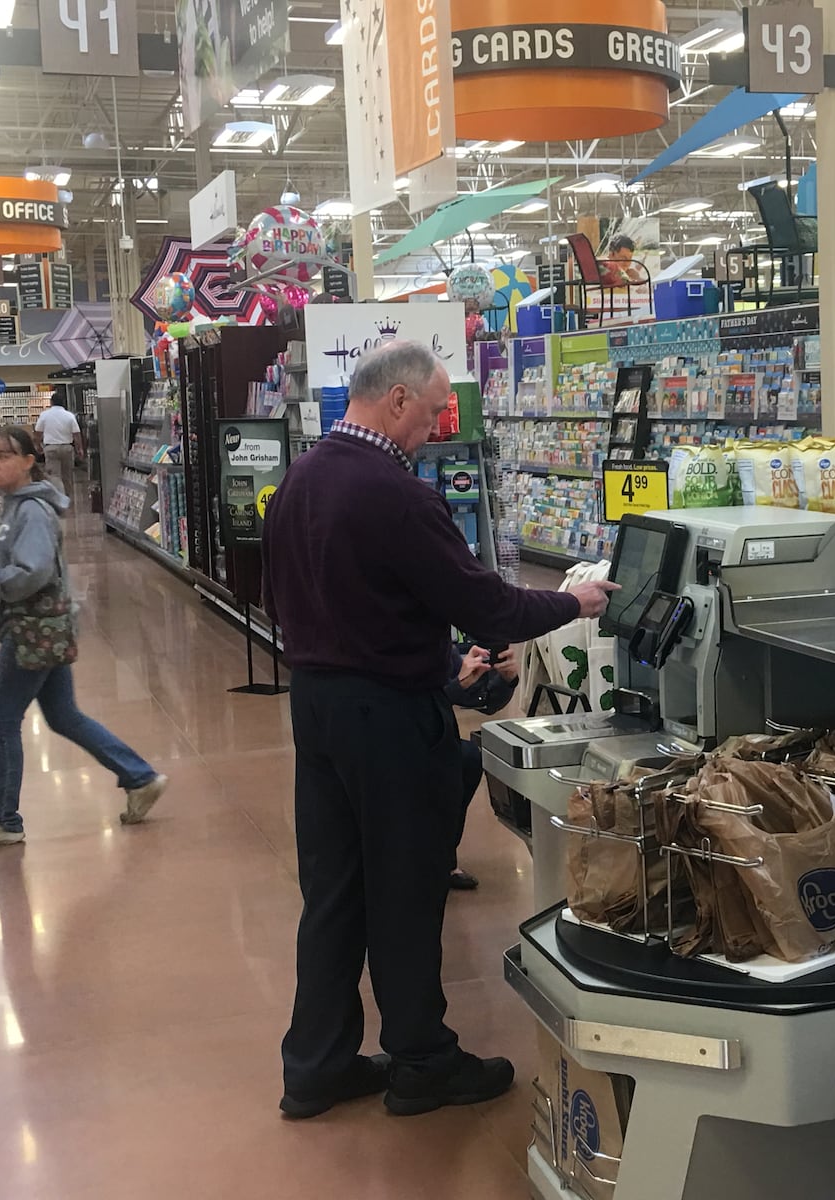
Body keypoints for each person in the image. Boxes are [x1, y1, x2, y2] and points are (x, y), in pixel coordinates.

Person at [261, 340, 617, 1121]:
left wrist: (428, 662)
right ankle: (423, 1059)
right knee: (405, 888)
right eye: (427, 415)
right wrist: (575, 603)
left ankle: (314, 1065)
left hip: (317, 707)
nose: (431, 430)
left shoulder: (300, 481)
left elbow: (308, 603)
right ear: (394, 401)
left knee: (334, 891)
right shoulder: (393, 491)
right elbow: (486, 604)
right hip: (386, 721)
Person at [0, 427, 167, 849]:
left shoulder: (31, 511)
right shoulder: (13, 506)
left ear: (29, 461)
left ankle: (2, 819)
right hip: (46, 628)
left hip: (32, 631)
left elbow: (33, 572)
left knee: (2, 722)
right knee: (64, 716)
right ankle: (140, 777)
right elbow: (8, 558)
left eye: (4, 456)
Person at [443, 642, 518, 891]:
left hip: (426, 735)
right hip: (383, 734)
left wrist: (504, 678)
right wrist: (455, 687)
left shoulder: (437, 637)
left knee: (467, 758)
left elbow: (477, 699)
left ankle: (443, 858)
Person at [33, 389, 83, 495]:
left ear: (51, 402)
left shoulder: (44, 415)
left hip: (50, 448)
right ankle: (67, 497)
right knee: (67, 475)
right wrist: (80, 448)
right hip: (67, 448)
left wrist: (37, 445)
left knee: (54, 475)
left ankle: (57, 497)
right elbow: (76, 434)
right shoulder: (69, 416)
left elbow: (38, 432)